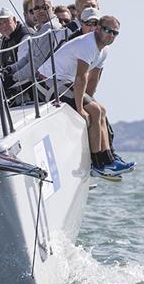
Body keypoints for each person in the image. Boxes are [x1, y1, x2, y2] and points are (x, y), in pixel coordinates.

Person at [37, 15, 134, 178]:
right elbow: (81, 77)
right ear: (97, 28)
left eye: (115, 33)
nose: (110, 35)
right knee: (94, 111)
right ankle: (98, 164)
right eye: (107, 30)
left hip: (66, 81)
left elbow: (94, 78)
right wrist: (81, 108)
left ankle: (108, 159)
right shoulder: (88, 44)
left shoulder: (104, 50)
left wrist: (89, 99)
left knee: (101, 110)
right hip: (47, 81)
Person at [8, 0, 65, 89]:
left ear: (53, 9)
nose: (41, 10)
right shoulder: (40, 29)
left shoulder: (50, 27)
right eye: (37, 8)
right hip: (39, 82)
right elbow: (27, 58)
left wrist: (14, 78)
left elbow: (38, 61)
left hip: (49, 84)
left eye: (45, 7)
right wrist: (10, 69)